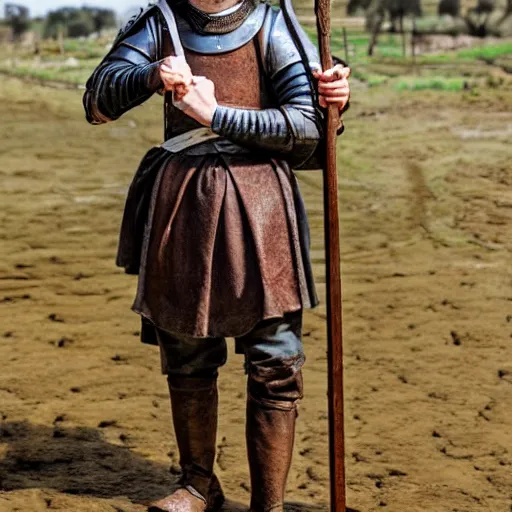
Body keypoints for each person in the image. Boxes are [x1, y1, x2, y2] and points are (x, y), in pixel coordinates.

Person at [83, 0, 350, 510]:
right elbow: (98, 99)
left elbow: (309, 128)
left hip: (263, 207)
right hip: (183, 208)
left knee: (275, 356)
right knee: (186, 350)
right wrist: (151, 75)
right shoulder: (160, 21)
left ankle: (268, 503)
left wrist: (216, 114)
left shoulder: (273, 26)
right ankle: (198, 484)